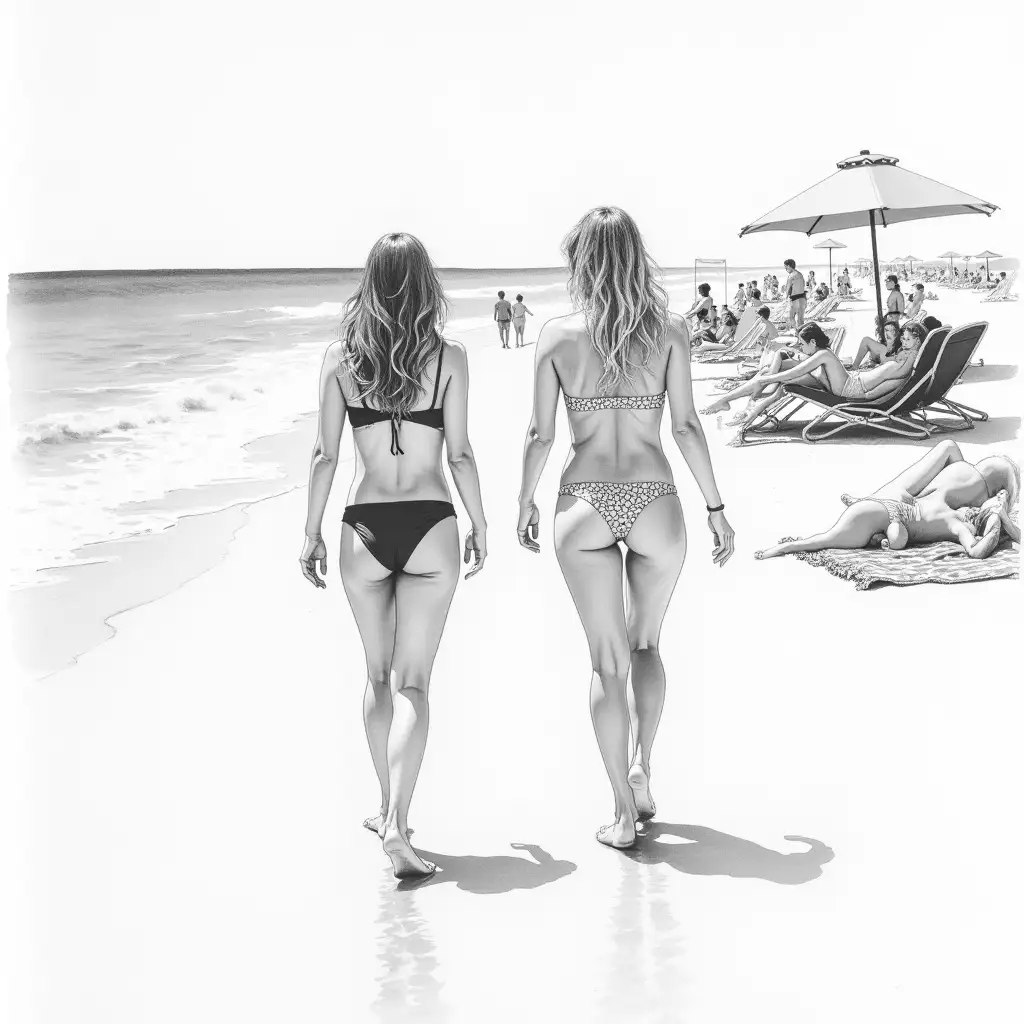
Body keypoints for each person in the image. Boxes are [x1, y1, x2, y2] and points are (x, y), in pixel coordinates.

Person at [516, 206, 735, 850]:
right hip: (654, 498)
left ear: (581, 260)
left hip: (583, 497)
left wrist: (525, 499)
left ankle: (619, 811)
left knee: (605, 662)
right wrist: (716, 507)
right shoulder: (668, 331)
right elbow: (687, 427)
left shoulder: (557, 336)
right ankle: (643, 767)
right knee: (646, 647)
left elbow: (539, 434)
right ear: (636, 255)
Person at [300, 232, 488, 880]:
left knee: (376, 676)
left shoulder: (339, 359)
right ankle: (397, 822)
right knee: (414, 684)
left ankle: (386, 811)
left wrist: (310, 532)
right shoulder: (450, 358)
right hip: (432, 522)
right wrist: (481, 522)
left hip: (364, 526)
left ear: (370, 282)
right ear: (425, 283)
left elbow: (325, 455)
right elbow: (459, 453)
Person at [755, 440, 1020, 560]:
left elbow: (977, 543)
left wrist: (998, 515)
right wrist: (1000, 517)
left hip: (893, 508)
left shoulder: (949, 507)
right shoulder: (956, 519)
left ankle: (784, 548)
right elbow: (976, 548)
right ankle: (784, 548)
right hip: (893, 512)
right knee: (825, 539)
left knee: (827, 538)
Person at [700, 321, 924, 422]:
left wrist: (912, 353)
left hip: (851, 387)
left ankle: (755, 392)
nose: (903, 341)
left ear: (918, 341)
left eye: (908, 338)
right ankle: (736, 402)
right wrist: (910, 352)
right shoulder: (904, 359)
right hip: (851, 381)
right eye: (903, 337)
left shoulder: (905, 362)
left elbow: (899, 372)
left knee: (818, 358)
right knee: (782, 372)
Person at [783, 259, 806, 331]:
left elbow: (787, 289)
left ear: (789, 266)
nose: (785, 269)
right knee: (800, 320)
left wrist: (786, 297)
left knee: (791, 317)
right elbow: (803, 285)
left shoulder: (791, 276)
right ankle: (802, 335)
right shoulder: (800, 274)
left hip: (795, 299)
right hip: (803, 299)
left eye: (786, 267)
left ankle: (797, 332)